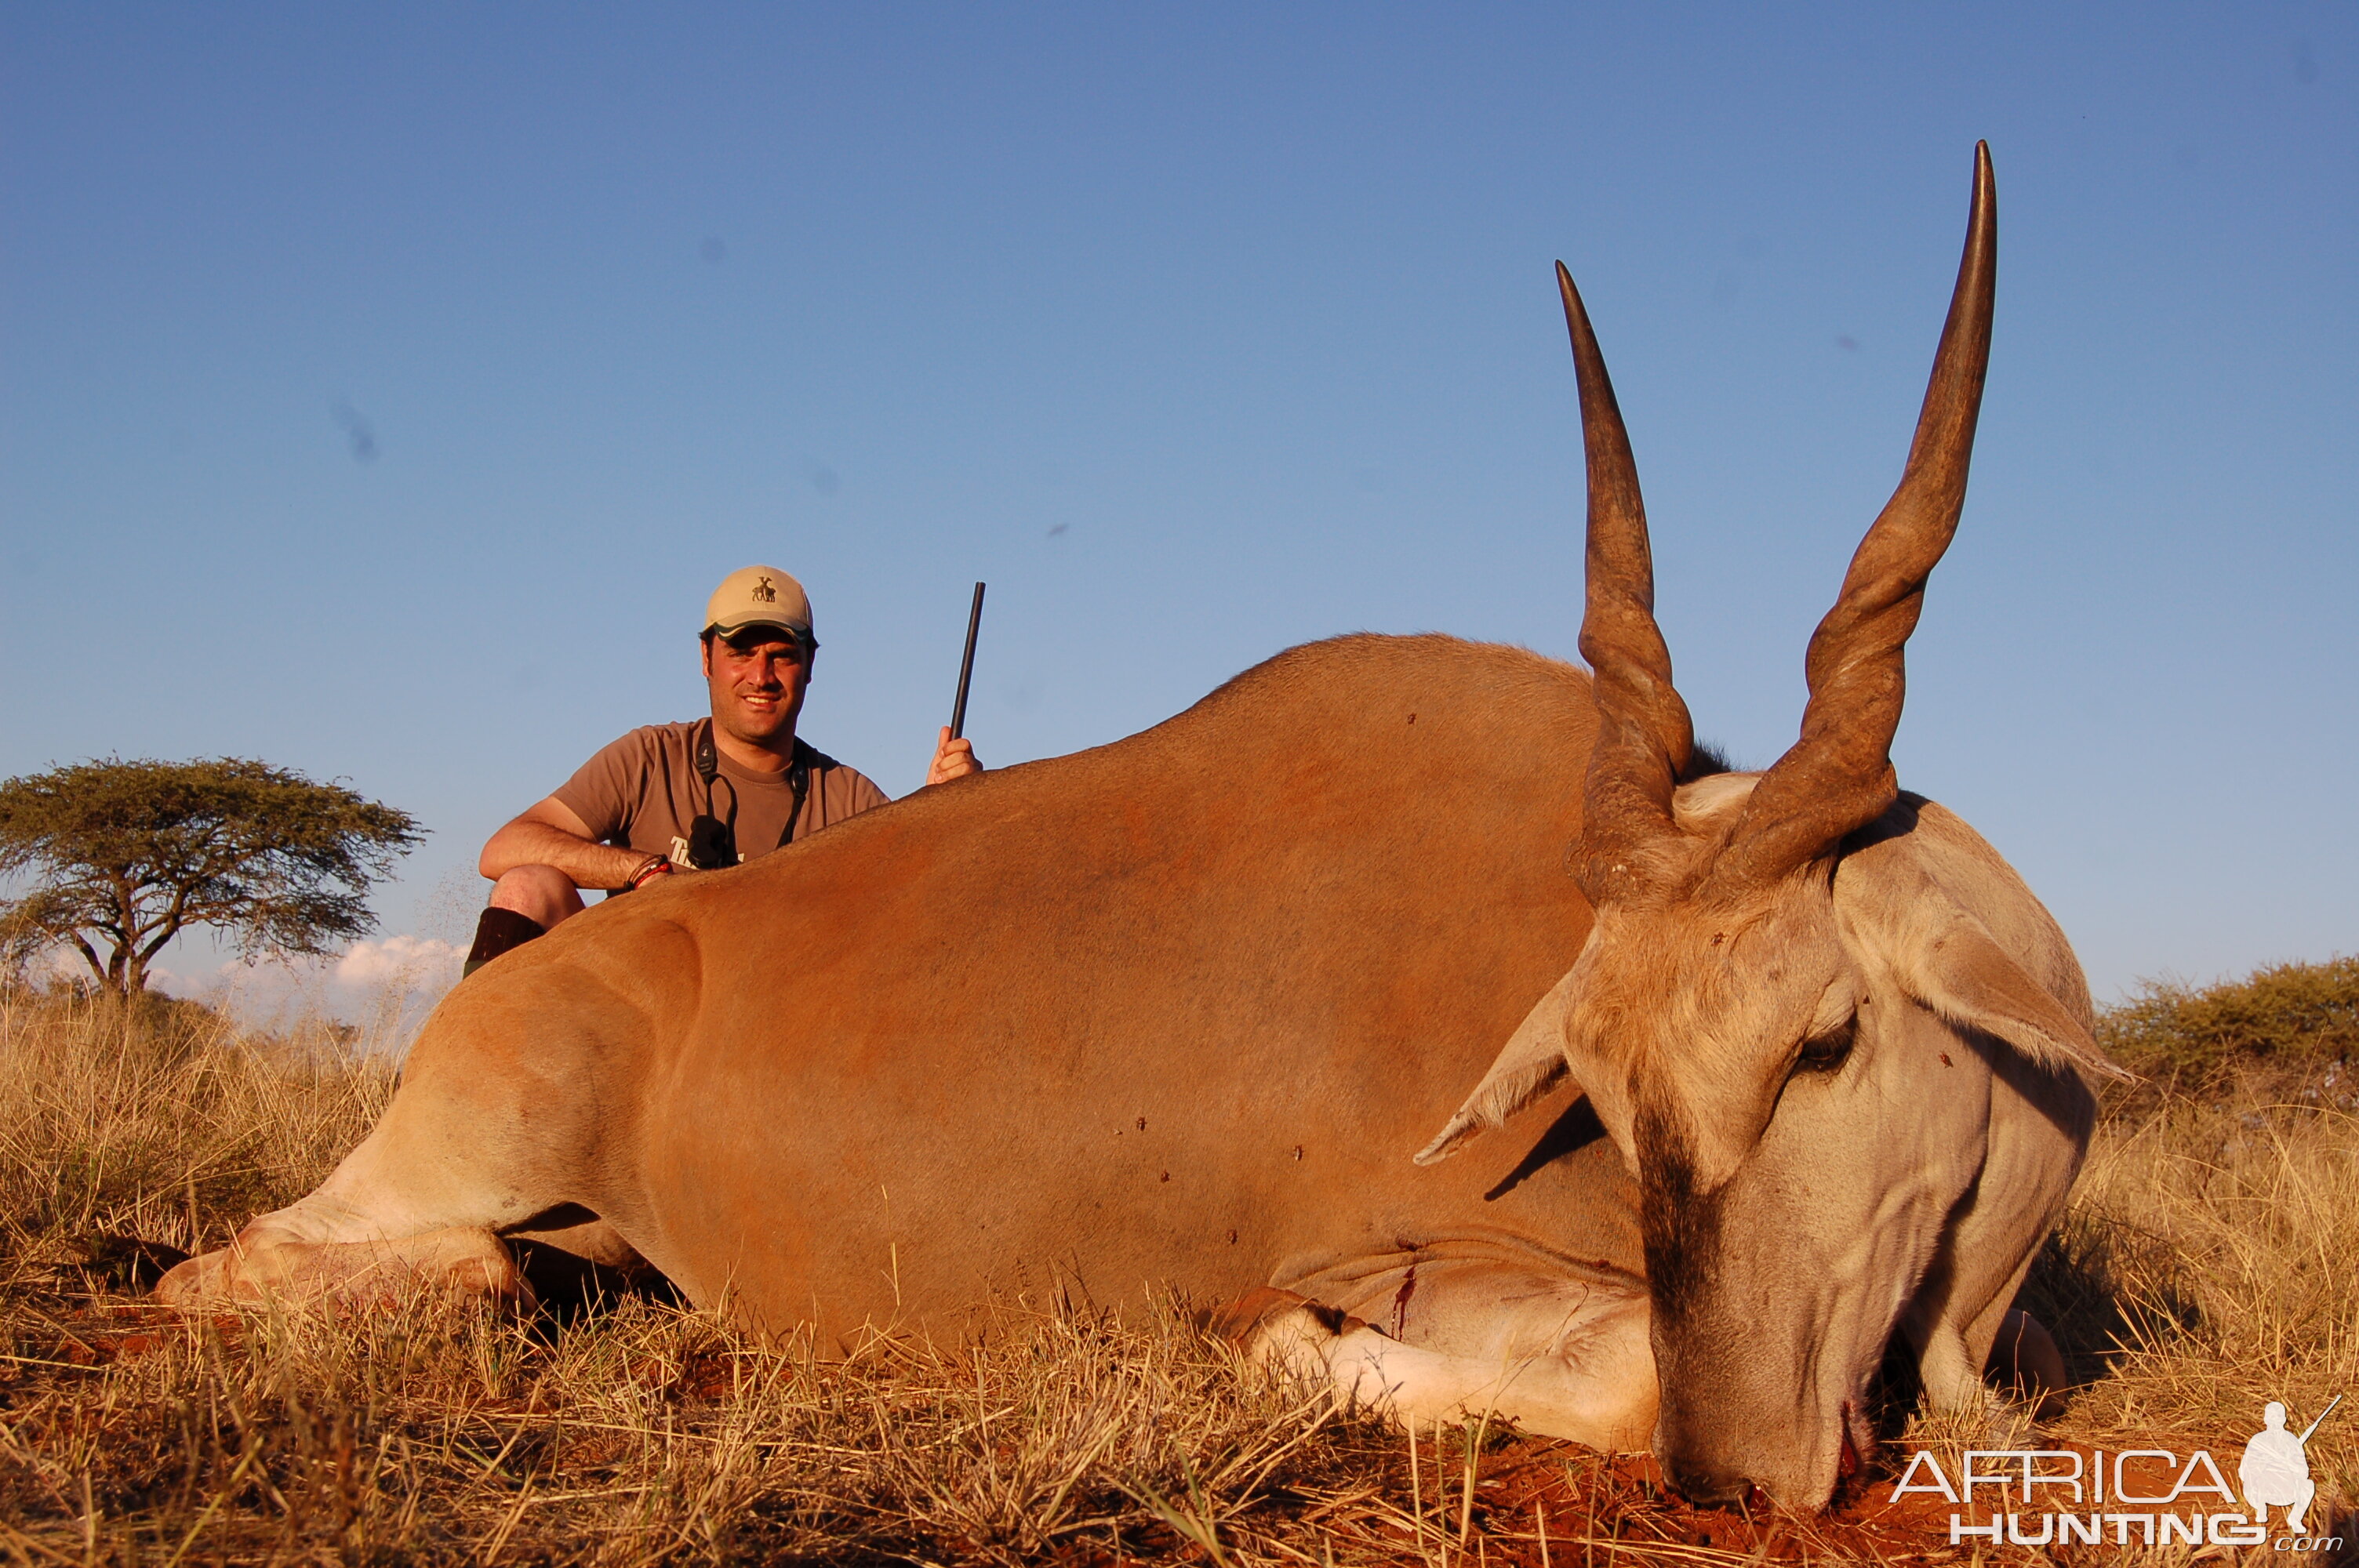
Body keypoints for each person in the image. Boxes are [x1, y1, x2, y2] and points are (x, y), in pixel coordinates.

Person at [462, 564, 980, 976]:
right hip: (640, 1014)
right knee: (526, 887)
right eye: (741, 652)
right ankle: (469, 1090)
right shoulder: (648, 757)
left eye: (782, 655)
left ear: (810, 665)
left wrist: (946, 821)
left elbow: (927, 921)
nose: (761, 676)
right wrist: (642, 871)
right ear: (707, 657)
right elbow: (502, 850)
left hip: (768, 1034)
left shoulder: (849, 798)